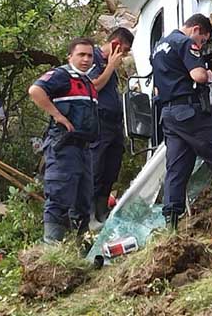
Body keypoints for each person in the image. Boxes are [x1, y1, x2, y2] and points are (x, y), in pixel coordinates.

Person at [152, 13, 212, 232]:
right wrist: (206, 72)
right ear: (196, 30)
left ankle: (171, 226)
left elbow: (157, 87)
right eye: (203, 40)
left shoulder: (159, 46)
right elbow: (198, 76)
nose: (201, 44)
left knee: (177, 169)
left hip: (168, 114)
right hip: (190, 113)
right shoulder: (185, 43)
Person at [29, 38, 100, 243]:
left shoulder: (87, 83)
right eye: (81, 55)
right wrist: (57, 115)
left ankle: (79, 248)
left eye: (89, 55)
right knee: (59, 195)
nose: (86, 59)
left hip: (83, 148)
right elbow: (35, 90)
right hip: (63, 146)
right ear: (70, 56)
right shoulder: (61, 75)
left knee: (83, 200)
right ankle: (52, 250)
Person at [87, 27, 134, 225]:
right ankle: (89, 215)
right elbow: (94, 86)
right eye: (123, 50)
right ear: (115, 44)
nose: (123, 55)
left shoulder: (108, 64)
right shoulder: (94, 58)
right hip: (99, 121)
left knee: (111, 167)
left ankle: (102, 209)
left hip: (114, 123)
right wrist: (110, 67)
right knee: (96, 167)